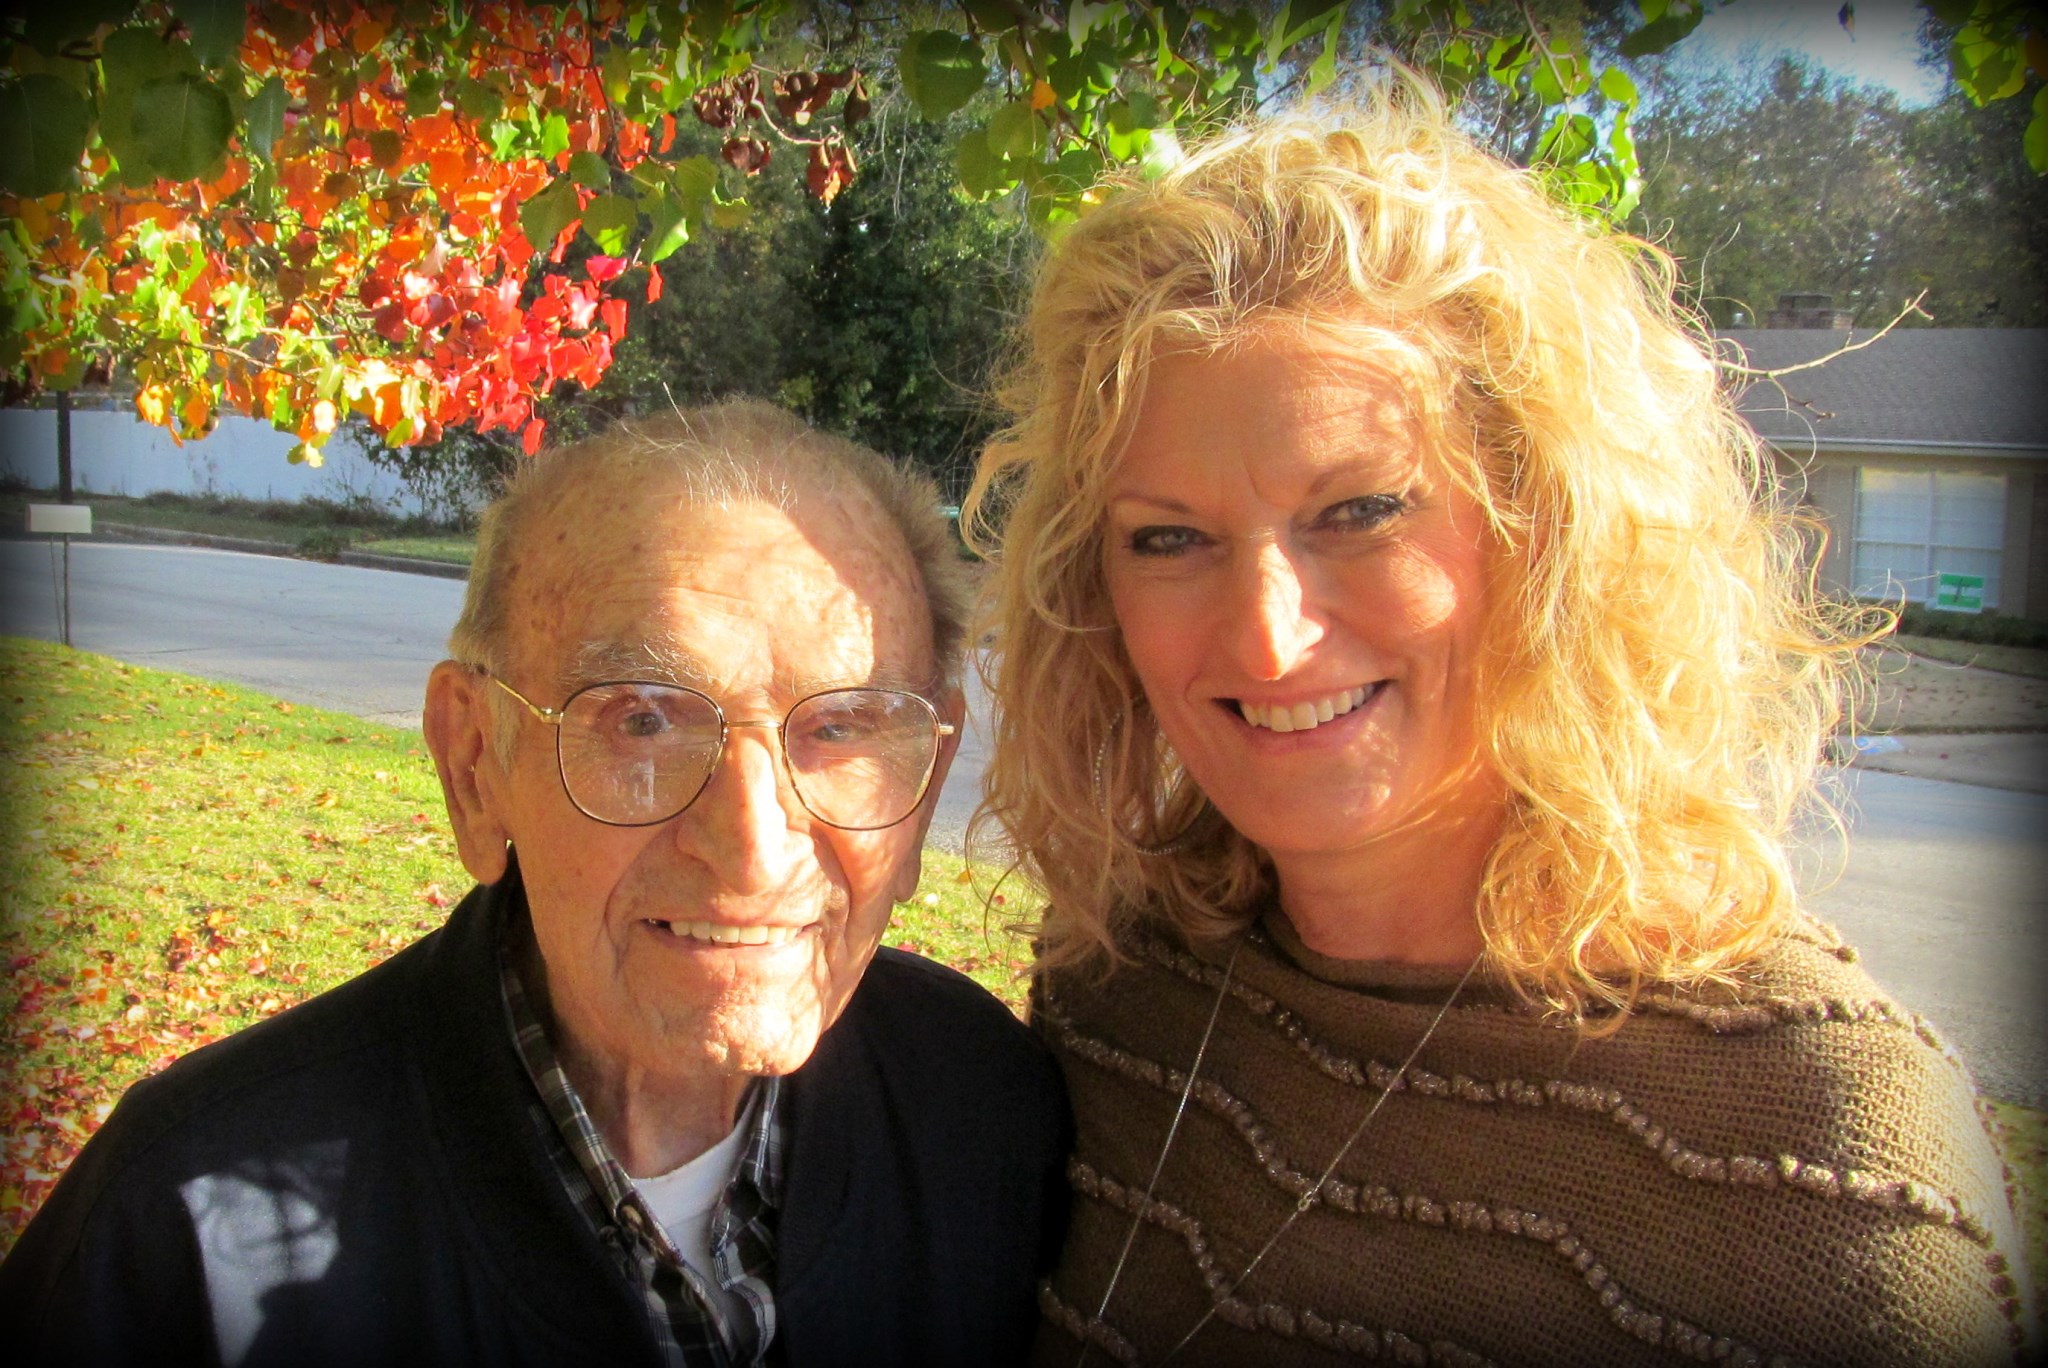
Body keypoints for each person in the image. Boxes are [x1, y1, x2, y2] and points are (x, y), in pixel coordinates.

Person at [963, 83, 2036, 1368]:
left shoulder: (1825, 1169)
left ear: (1551, 537)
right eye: (1168, 538)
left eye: (1360, 512)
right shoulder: (1118, 987)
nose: (1264, 639)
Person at [1, 400, 1069, 1366]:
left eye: (841, 728)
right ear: (475, 767)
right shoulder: (183, 1240)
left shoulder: (988, 1118)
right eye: (642, 719)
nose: (752, 850)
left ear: (926, 782)